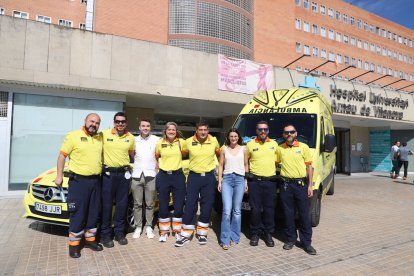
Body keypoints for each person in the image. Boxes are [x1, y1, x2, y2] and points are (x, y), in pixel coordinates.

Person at [54, 113, 103, 258]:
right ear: (85, 121)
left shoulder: (99, 138)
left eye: (97, 122)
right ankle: (74, 245)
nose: (94, 124)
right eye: (91, 121)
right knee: (78, 213)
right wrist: (59, 175)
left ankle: (90, 240)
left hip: (96, 181)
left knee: (93, 212)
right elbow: (62, 156)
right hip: (79, 182)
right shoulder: (73, 136)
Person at [175, 121, 220, 247]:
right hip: (193, 177)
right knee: (190, 205)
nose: (203, 132)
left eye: (205, 129)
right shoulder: (188, 142)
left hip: (209, 177)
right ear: (196, 130)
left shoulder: (214, 141)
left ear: (208, 130)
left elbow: (220, 155)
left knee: (207, 205)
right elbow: (182, 155)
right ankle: (186, 234)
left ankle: (202, 233)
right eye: (200, 130)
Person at [276, 124, 316, 255]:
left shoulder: (304, 147)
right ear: (283, 135)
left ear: (296, 133)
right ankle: (290, 239)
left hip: (301, 186)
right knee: (288, 214)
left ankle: (307, 243)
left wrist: (310, 185)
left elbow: (309, 167)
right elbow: (275, 163)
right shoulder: (280, 148)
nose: (289, 134)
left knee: (304, 215)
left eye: (291, 132)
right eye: (286, 132)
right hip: (286, 186)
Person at [100, 112, 135, 247]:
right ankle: (105, 235)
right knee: (107, 205)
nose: (120, 124)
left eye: (123, 121)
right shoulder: (104, 134)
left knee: (122, 205)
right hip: (108, 175)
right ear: (114, 122)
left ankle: (119, 233)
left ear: (126, 123)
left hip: (123, 175)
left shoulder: (130, 137)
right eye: (118, 121)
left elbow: (132, 155)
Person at [246, 121, 278, 247]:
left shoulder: (275, 144)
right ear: (256, 131)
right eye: (260, 129)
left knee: (269, 209)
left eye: (265, 129)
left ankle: (268, 233)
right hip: (255, 182)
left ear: (268, 131)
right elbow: (245, 162)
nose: (263, 131)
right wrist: (246, 180)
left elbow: (280, 160)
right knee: (255, 209)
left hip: (270, 182)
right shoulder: (250, 144)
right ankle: (255, 233)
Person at [155, 122, 187, 242]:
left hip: (177, 175)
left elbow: (188, 153)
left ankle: (177, 230)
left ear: (176, 131)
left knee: (178, 206)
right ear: (165, 131)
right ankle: (164, 232)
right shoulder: (160, 143)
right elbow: (156, 158)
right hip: (163, 176)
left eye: (173, 129)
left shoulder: (181, 142)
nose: (171, 131)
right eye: (169, 129)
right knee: (163, 206)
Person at [217, 128, 248, 250]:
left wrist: (246, 181)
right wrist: (220, 181)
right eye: (231, 136)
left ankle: (235, 237)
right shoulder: (224, 149)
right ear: (228, 138)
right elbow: (220, 165)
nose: (233, 138)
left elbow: (246, 165)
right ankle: (225, 239)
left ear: (238, 137)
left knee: (237, 211)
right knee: (226, 210)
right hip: (227, 180)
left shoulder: (244, 149)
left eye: (235, 136)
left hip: (240, 179)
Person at [131, 119, 160, 239]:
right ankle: (138, 227)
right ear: (139, 127)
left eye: (148, 126)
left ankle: (148, 226)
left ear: (150, 127)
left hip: (151, 175)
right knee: (137, 203)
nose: (145, 128)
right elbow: (132, 153)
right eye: (143, 126)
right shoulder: (134, 140)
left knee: (149, 204)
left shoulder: (156, 140)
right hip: (137, 175)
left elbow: (159, 154)